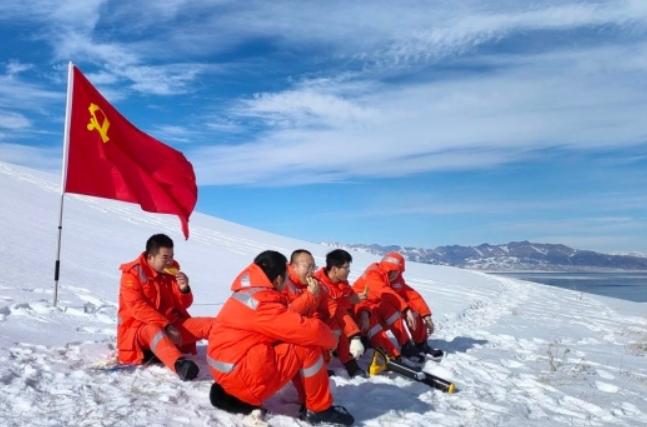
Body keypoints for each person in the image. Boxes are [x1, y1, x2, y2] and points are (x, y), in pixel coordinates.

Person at [207, 250, 354, 426]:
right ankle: (319, 409)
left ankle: (307, 398)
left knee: (294, 339)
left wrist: (310, 298)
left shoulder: (250, 292)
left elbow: (283, 318)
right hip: (241, 377)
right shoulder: (263, 302)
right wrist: (332, 340)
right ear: (278, 279)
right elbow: (309, 331)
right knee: (307, 345)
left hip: (227, 372)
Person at [116, 233, 213, 380]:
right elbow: (138, 307)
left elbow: (183, 305)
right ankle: (180, 364)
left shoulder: (172, 272)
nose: (170, 261)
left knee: (211, 324)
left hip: (171, 328)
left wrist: (184, 289)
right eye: (165, 257)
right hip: (139, 332)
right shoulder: (132, 274)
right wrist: (166, 326)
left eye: (171, 256)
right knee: (153, 330)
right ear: (150, 257)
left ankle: (238, 353)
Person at [353, 251, 443, 362]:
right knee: (382, 315)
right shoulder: (373, 274)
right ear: (385, 268)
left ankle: (416, 344)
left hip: (378, 313)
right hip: (361, 315)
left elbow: (412, 295)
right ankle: (390, 353)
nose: (394, 274)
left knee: (411, 309)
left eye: (397, 271)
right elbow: (384, 292)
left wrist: (426, 315)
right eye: (391, 270)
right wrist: (405, 309)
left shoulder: (396, 280)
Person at [312, 249, 366, 377]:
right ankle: (322, 366)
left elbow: (353, 299)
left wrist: (365, 312)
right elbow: (330, 307)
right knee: (338, 326)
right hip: (319, 321)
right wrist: (348, 301)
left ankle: (349, 359)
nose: (349, 271)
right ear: (335, 269)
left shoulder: (343, 285)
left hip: (337, 323)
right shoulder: (318, 282)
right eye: (346, 267)